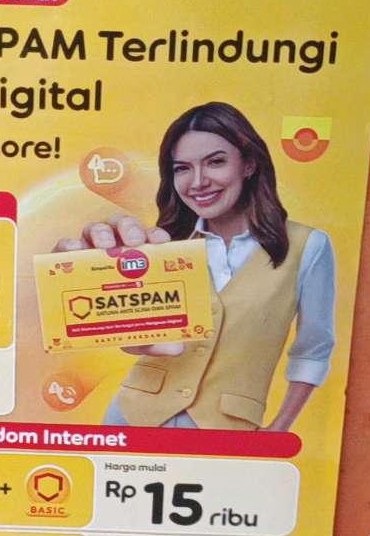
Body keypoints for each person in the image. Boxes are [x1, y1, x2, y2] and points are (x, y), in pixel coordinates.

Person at [54, 101, 336, 432]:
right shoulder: (163, 245)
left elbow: (313, 349)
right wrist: (79, 276)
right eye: (182, 168)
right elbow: (132, 336)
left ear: (248, 164)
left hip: (228, 429)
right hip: (132, 418)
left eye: (215, 162)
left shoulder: (307, 246)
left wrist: (279, 429)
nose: (198, 182)